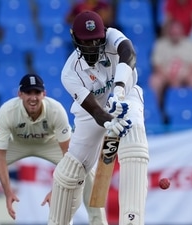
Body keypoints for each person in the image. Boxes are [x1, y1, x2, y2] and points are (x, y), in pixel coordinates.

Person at [46, 11, 149, 225]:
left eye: (96, 40)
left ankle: (132, 221)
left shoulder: (112, 35)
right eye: (87, 42)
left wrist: (119, 90)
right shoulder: (70, 73)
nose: (93, 46)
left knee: (135, 140)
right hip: (92, 111)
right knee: (70, 172)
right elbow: (95, 111)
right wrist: (109, 120)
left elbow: (129, 53)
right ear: (75, 38)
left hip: (126, 95)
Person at [0, 74, 108, 225]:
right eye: (28, 93)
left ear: (44, 94)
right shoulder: (7, 111)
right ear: (20, 94)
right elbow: (0, 156)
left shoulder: (56, 110)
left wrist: (56, 190)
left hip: (50, 143)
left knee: (85, 170)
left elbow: (69, 156)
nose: (33, 98)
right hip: (16, 143)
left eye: (37, 92)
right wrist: (8, 191)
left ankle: (98, 222)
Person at [149, 19, 192, 123]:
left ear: (182, 32)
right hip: (165, 74)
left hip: (184, 75)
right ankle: (158, 112)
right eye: (173, 32)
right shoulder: (160, 44)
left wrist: (182, 77)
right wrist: (169, 78)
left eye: (177, 32)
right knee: (154, 81)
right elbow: (157, 65)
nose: (175, 34)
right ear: (169, 32)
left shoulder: (188, 44)